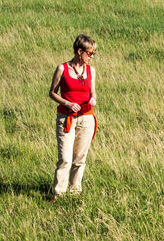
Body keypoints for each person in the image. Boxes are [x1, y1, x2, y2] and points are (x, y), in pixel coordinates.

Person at [48, 34, 97, 201]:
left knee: (80, 158)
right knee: (65, 158)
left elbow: (93, 93)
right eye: (90, 53)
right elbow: (52, 93)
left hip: (86, 118)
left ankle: (75, 192)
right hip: (66, 118)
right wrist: (67, 104)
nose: (92, 57)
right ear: (79, 51)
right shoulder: (62, 69)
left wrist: (93, 99)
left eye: (93, 54)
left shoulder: (91, 71)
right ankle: (58, 193)